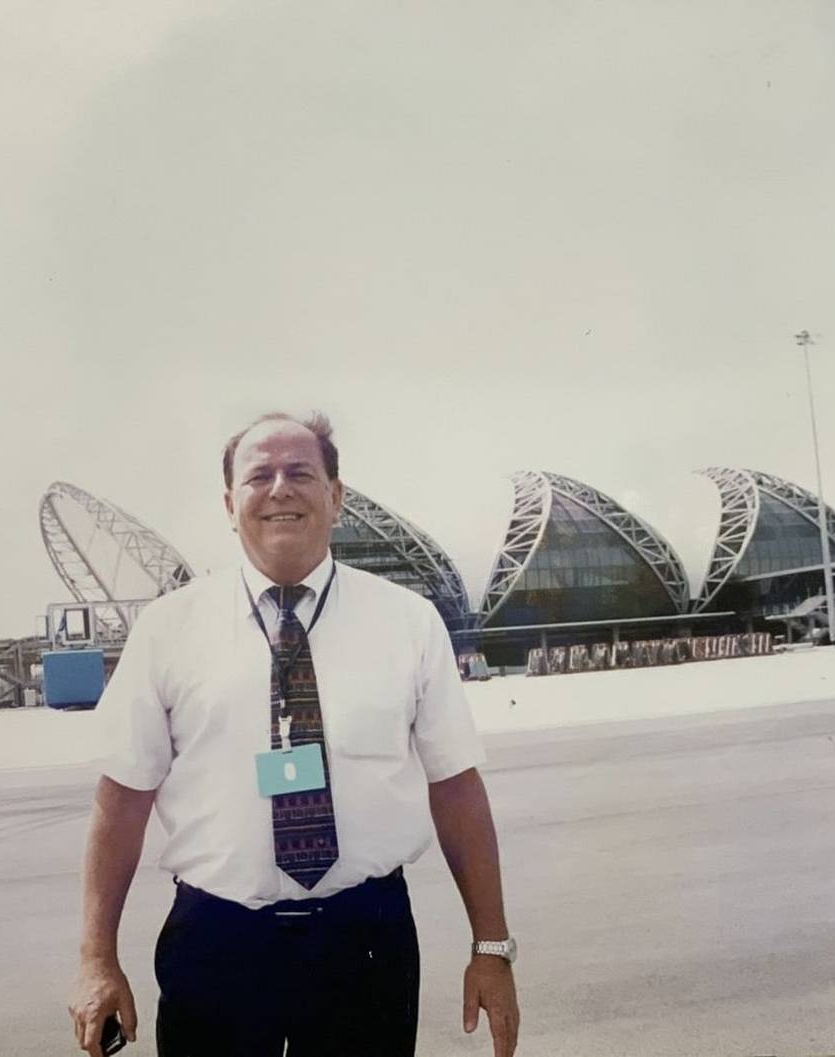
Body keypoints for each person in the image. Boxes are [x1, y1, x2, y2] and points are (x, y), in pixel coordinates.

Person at [68, 411, 519, 1057]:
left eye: (301, 472)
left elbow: (456, 787)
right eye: (259, 475)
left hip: (364, 941)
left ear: (336, 496)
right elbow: (121, 800)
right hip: (216, 943)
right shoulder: (169, 630)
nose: (280, 488)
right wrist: (96, 959)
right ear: (230, 504)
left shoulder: (407, 623)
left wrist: (492, 947)